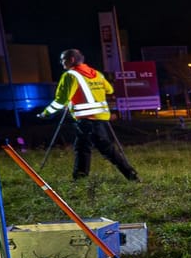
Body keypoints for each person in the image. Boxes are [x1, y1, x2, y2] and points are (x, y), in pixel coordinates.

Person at [40, 48, 139, 181]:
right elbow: (109, 89)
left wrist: (46, 113)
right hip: (99, 117)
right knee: (82, 147)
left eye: (63, 59)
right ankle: (80, 178)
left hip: (87, 119)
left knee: (104, 149)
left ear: (72, 60)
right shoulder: (97, 74)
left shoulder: (70, 75)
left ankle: (130, 174)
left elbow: (61, 100)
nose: (61, 62)